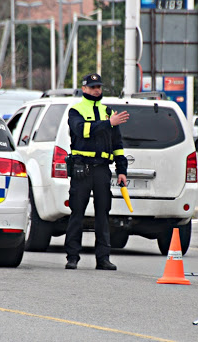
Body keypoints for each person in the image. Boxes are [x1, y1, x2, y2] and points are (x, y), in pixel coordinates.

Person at [64, 73, 129, 271]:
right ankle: (72, 257)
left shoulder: (109, 112)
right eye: (92, 87)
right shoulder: (76, 111)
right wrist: (109, 123)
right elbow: (82, 130)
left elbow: (117, 144)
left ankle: (103, 258)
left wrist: (121, 170)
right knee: (77, 213)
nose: (96, 90)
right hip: (81, 168)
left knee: (103, 214)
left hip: (102, 169)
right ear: (84, 89)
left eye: (99, 87)